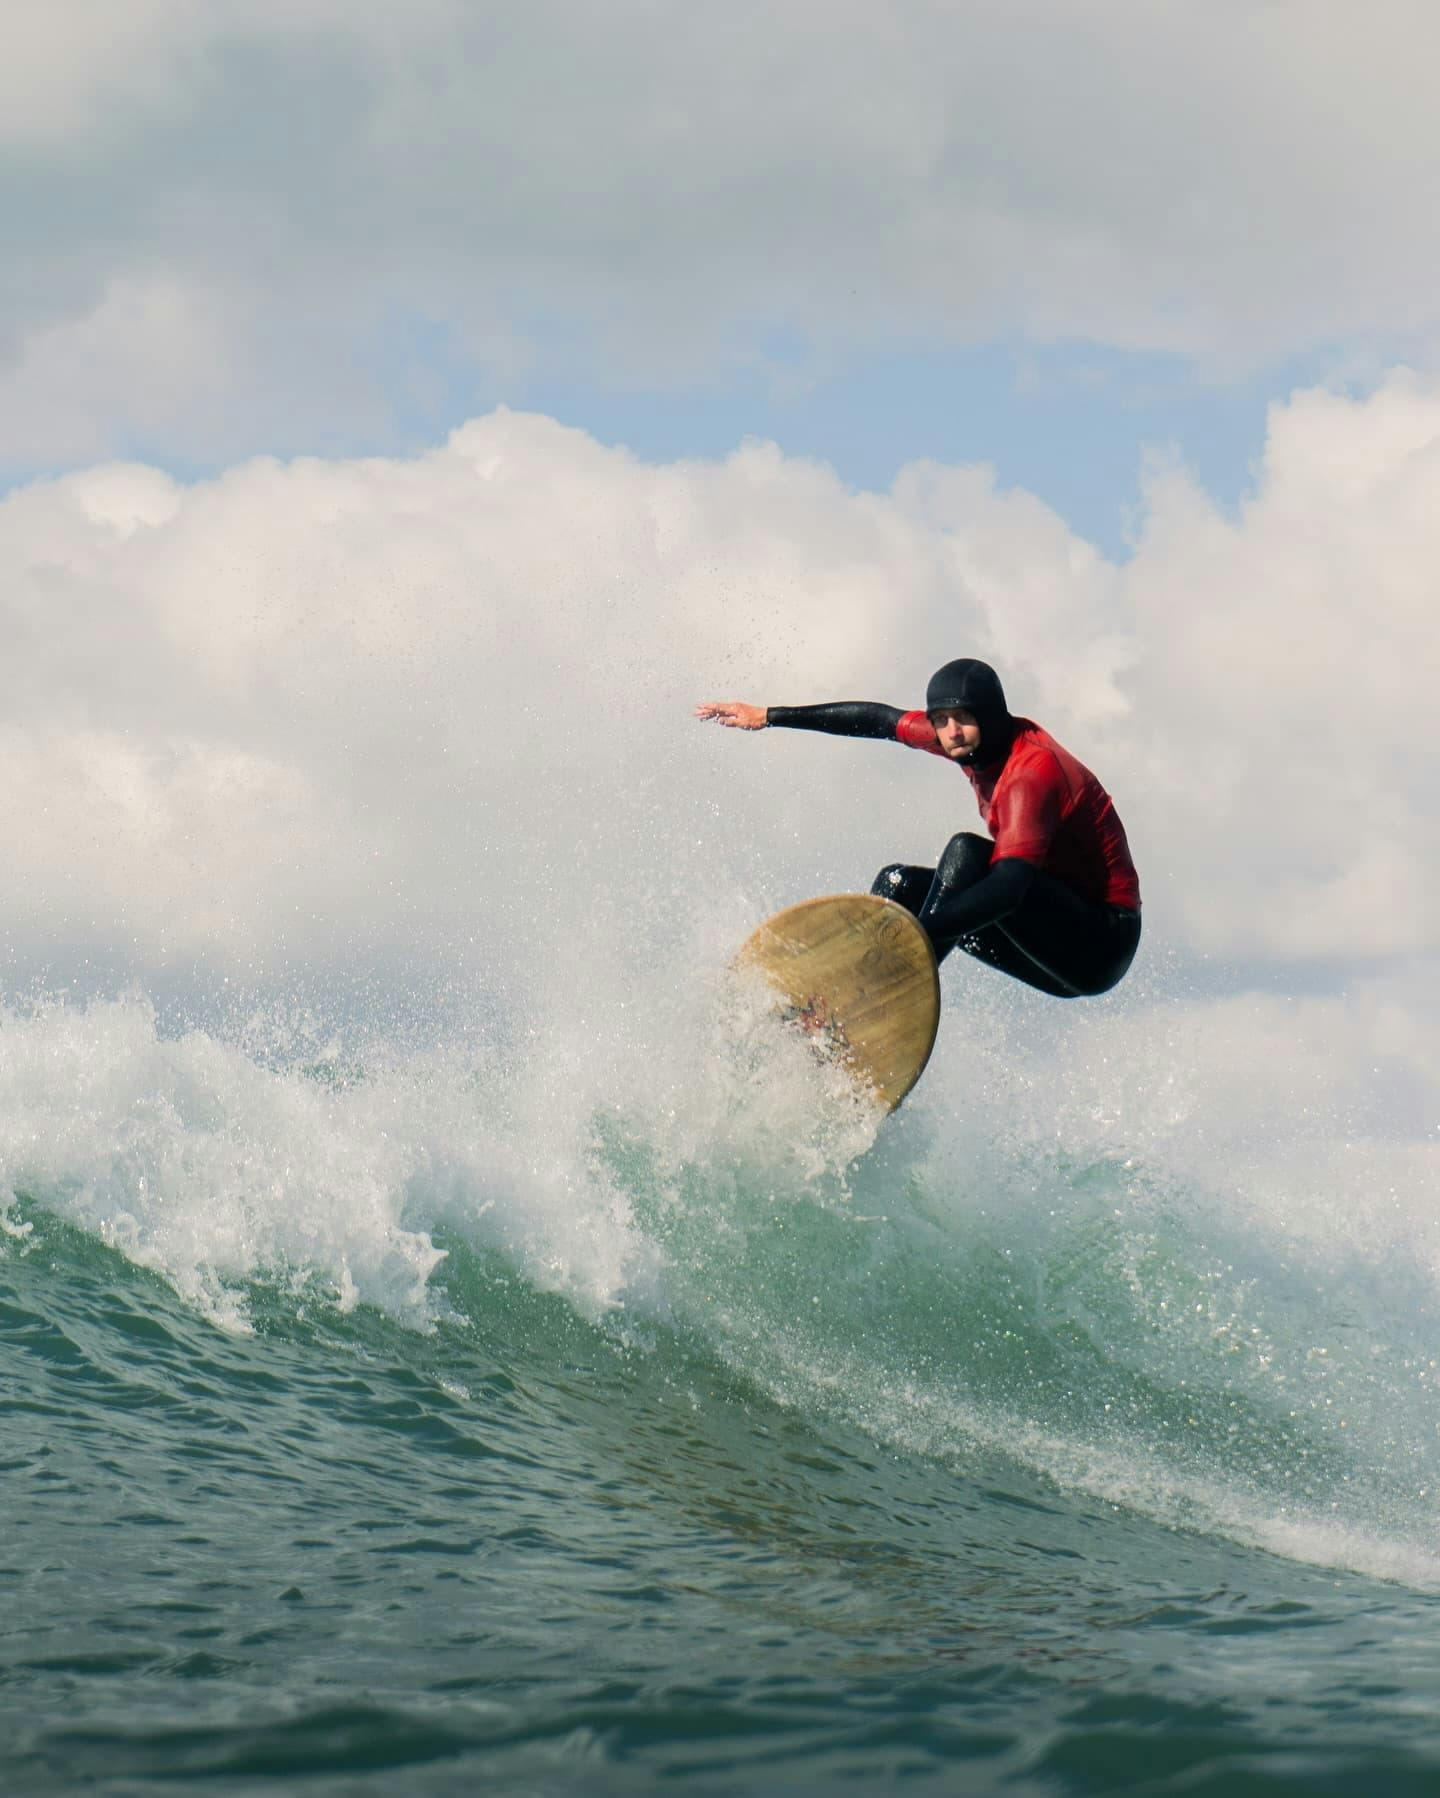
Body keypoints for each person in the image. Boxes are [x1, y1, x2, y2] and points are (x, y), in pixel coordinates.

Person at [696, 659, 1140, 999]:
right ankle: (844, 1003)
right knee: (900, 885)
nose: (952, 732)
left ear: (990, 716)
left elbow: (1008, 890)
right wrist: (769, 714)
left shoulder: (1031, 772)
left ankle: (880, 990)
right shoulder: (962, 738)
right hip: (1040, 935)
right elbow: (878, 720)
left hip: (1097, 945)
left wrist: (914, 938)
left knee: (966, 853)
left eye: (963, 718)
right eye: (941, 720)